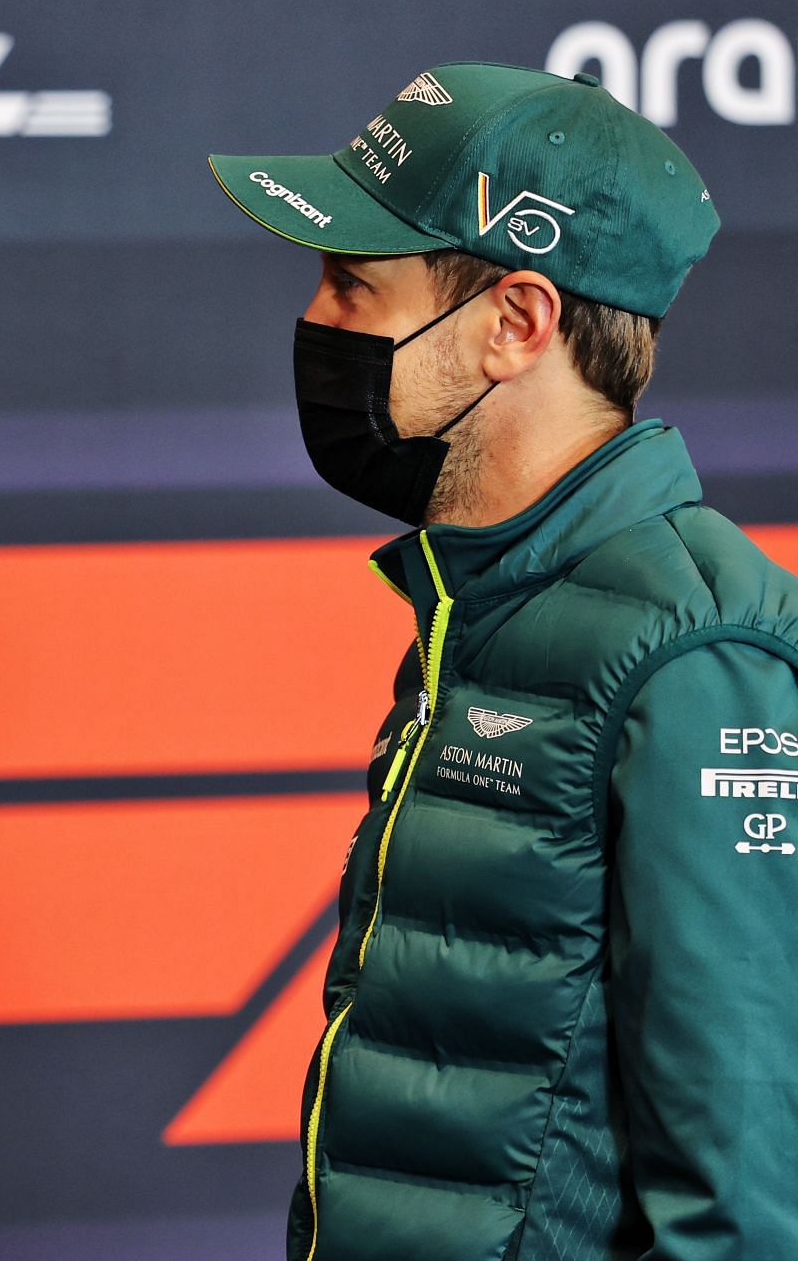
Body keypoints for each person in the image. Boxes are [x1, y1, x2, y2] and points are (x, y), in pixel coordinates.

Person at [209, 62, 798, 1259]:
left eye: (352, 285)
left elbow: (738, 1187)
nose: (319, 325)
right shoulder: (481, 596)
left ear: (515, 324)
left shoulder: (698, 643)